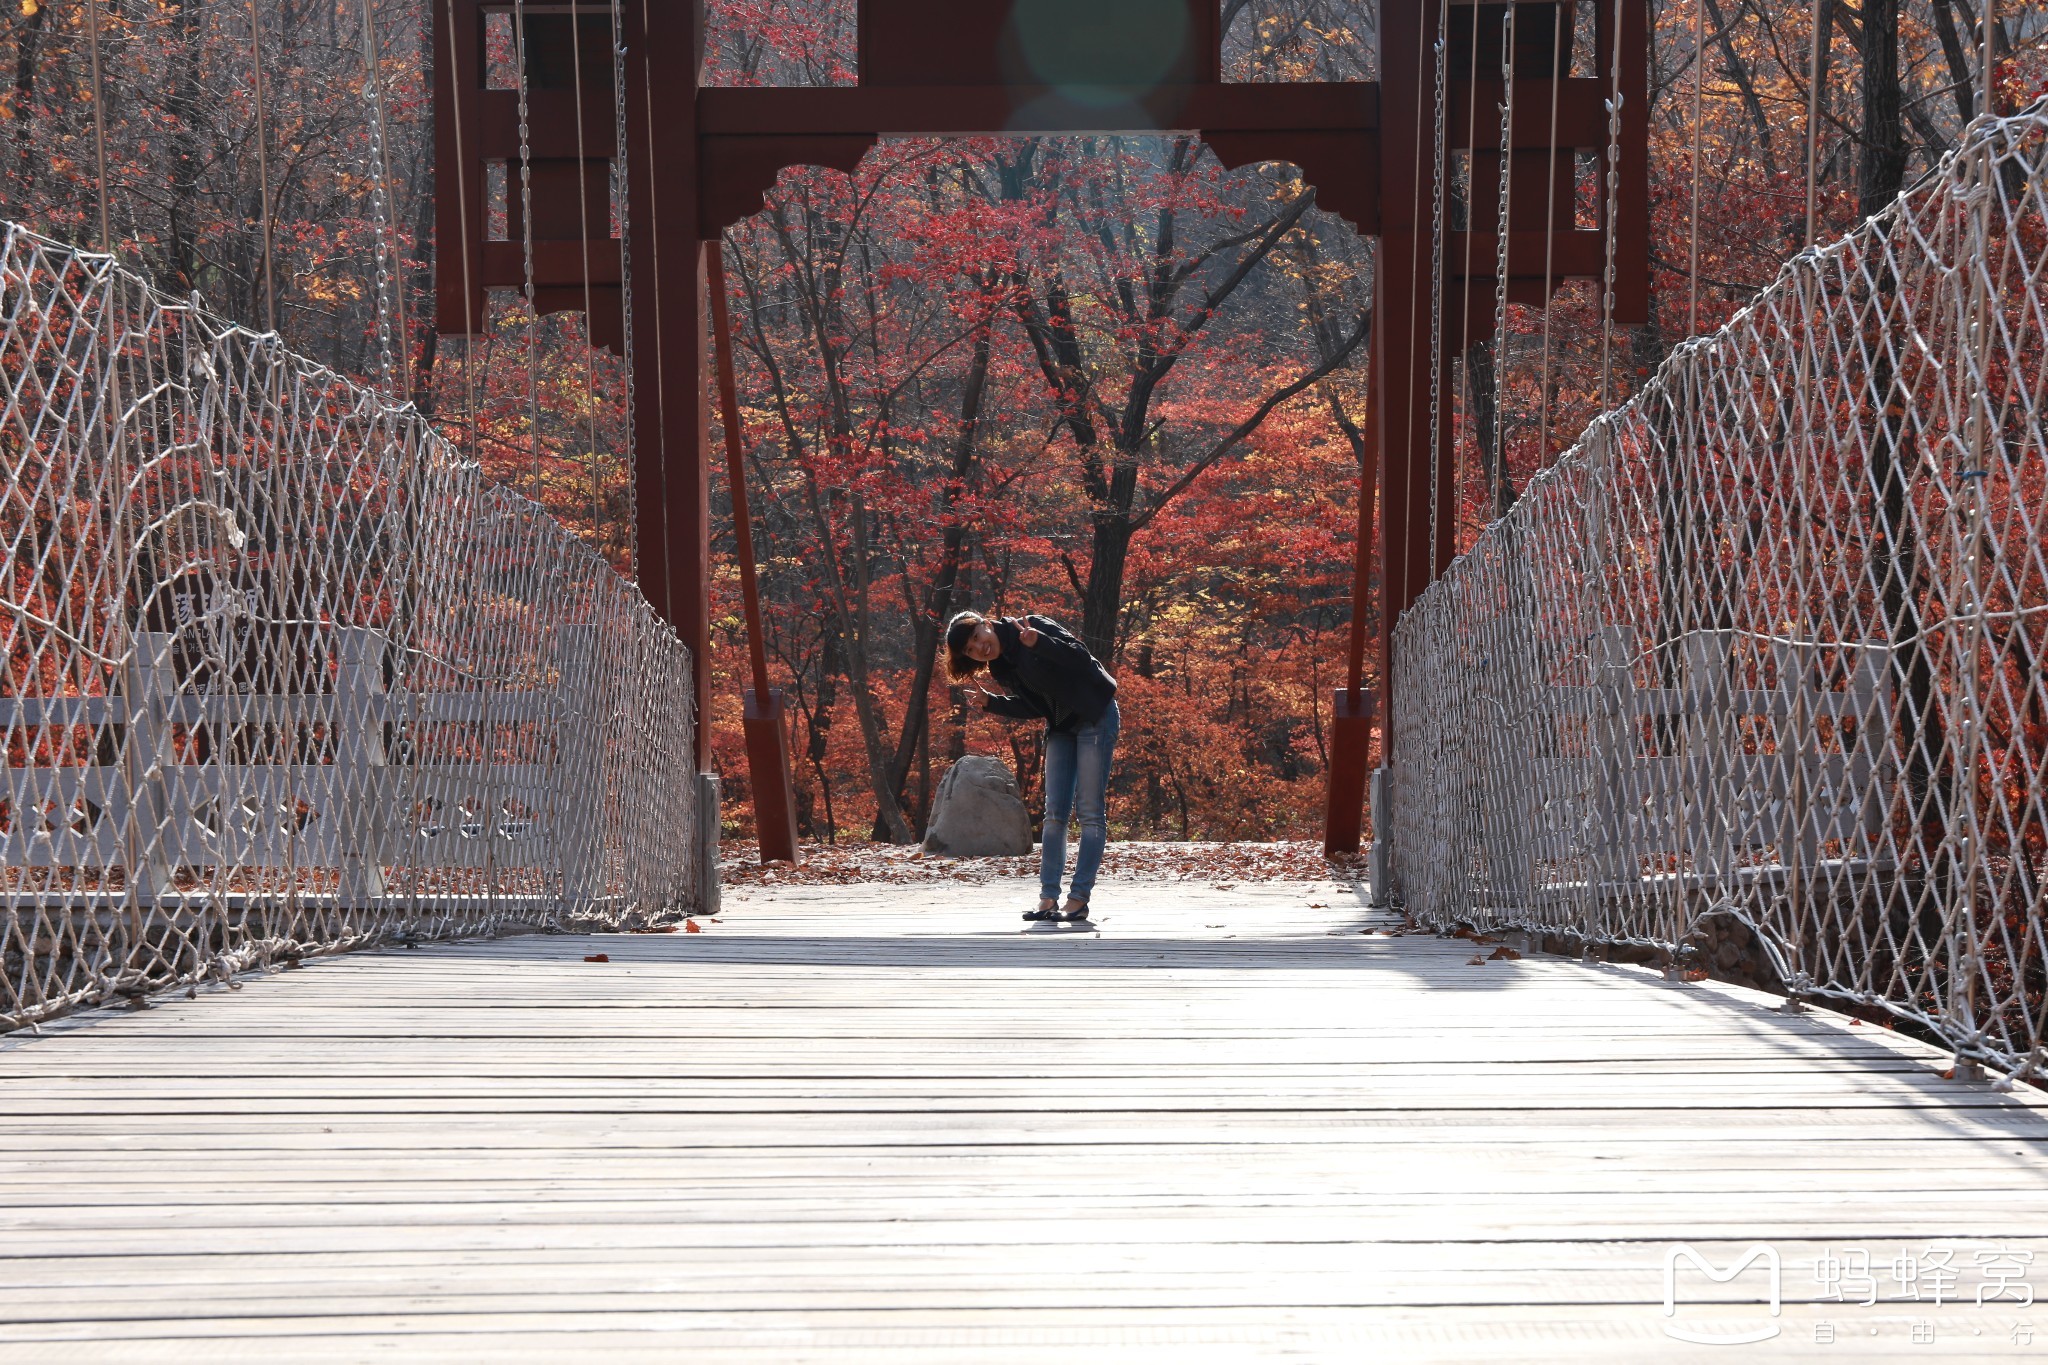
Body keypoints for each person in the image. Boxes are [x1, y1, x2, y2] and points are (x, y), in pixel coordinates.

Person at [943, 610, 1119, 922]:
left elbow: (1081, 658)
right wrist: (992, 703)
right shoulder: (1000, 666)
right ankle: (1048, 898)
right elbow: (1034, 706)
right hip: (1062, 724)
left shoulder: (1030, 625)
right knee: (1054, 815)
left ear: (985, 624)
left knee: (1090, 812)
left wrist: (1040, 644)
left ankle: (1078, 900)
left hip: (1095, 714)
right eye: (970, 650)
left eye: (975, 637)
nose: (979, 648)